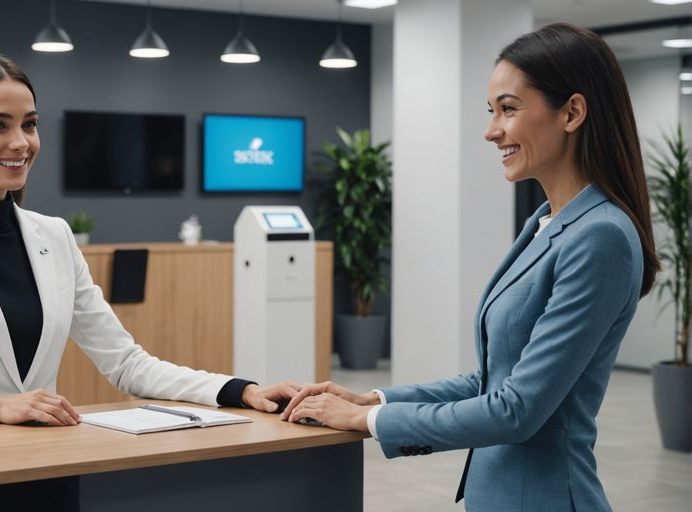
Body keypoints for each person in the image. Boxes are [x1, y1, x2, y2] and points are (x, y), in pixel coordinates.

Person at [281, 23, 659, 511]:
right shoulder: (546, 222)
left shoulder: (601, 236)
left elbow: (517, 409)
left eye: (508, 109)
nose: (491, 130)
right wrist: (373, 400)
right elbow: (492, 379)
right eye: (491, 112)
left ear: (572, 112)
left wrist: (365, 424)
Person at [0, 52, 299, 431]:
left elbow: (127, 365)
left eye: (30, 124)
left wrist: (242, 390)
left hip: (51, 462)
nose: (21, 143)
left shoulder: (54, 236)